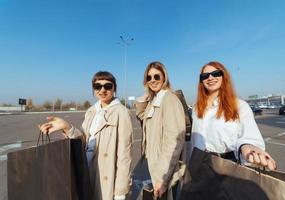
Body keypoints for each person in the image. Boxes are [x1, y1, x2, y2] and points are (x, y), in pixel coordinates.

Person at [39, 71, 133, 200]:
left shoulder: (121, 113)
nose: (102, 90)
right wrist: (67, 127)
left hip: (105, 179)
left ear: (114, 88)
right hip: (86, 172)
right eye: (97, 86)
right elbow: (84, 142)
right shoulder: (91, 112)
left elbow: (125, 155)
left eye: (108, 86)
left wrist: (120, 192)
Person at [191, 61, 276, 169]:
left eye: (216, 73)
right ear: (201, 81)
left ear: (224, 76)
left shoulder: (240, 106)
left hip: (226, 165)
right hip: (199, 163)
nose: (210, 77)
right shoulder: (196, 108)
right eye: (205, 75)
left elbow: (249, 136)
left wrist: (247, 147)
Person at [135, 61, 186, 200]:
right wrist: (143, 99)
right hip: (157, 167)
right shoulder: (155, 100)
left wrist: (162, 178)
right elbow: (142, 117)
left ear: (164, 77)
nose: (152, 80)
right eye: (148, 77)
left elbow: (174, 142)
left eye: (156, 76)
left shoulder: (169, 99)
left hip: (166, 171)